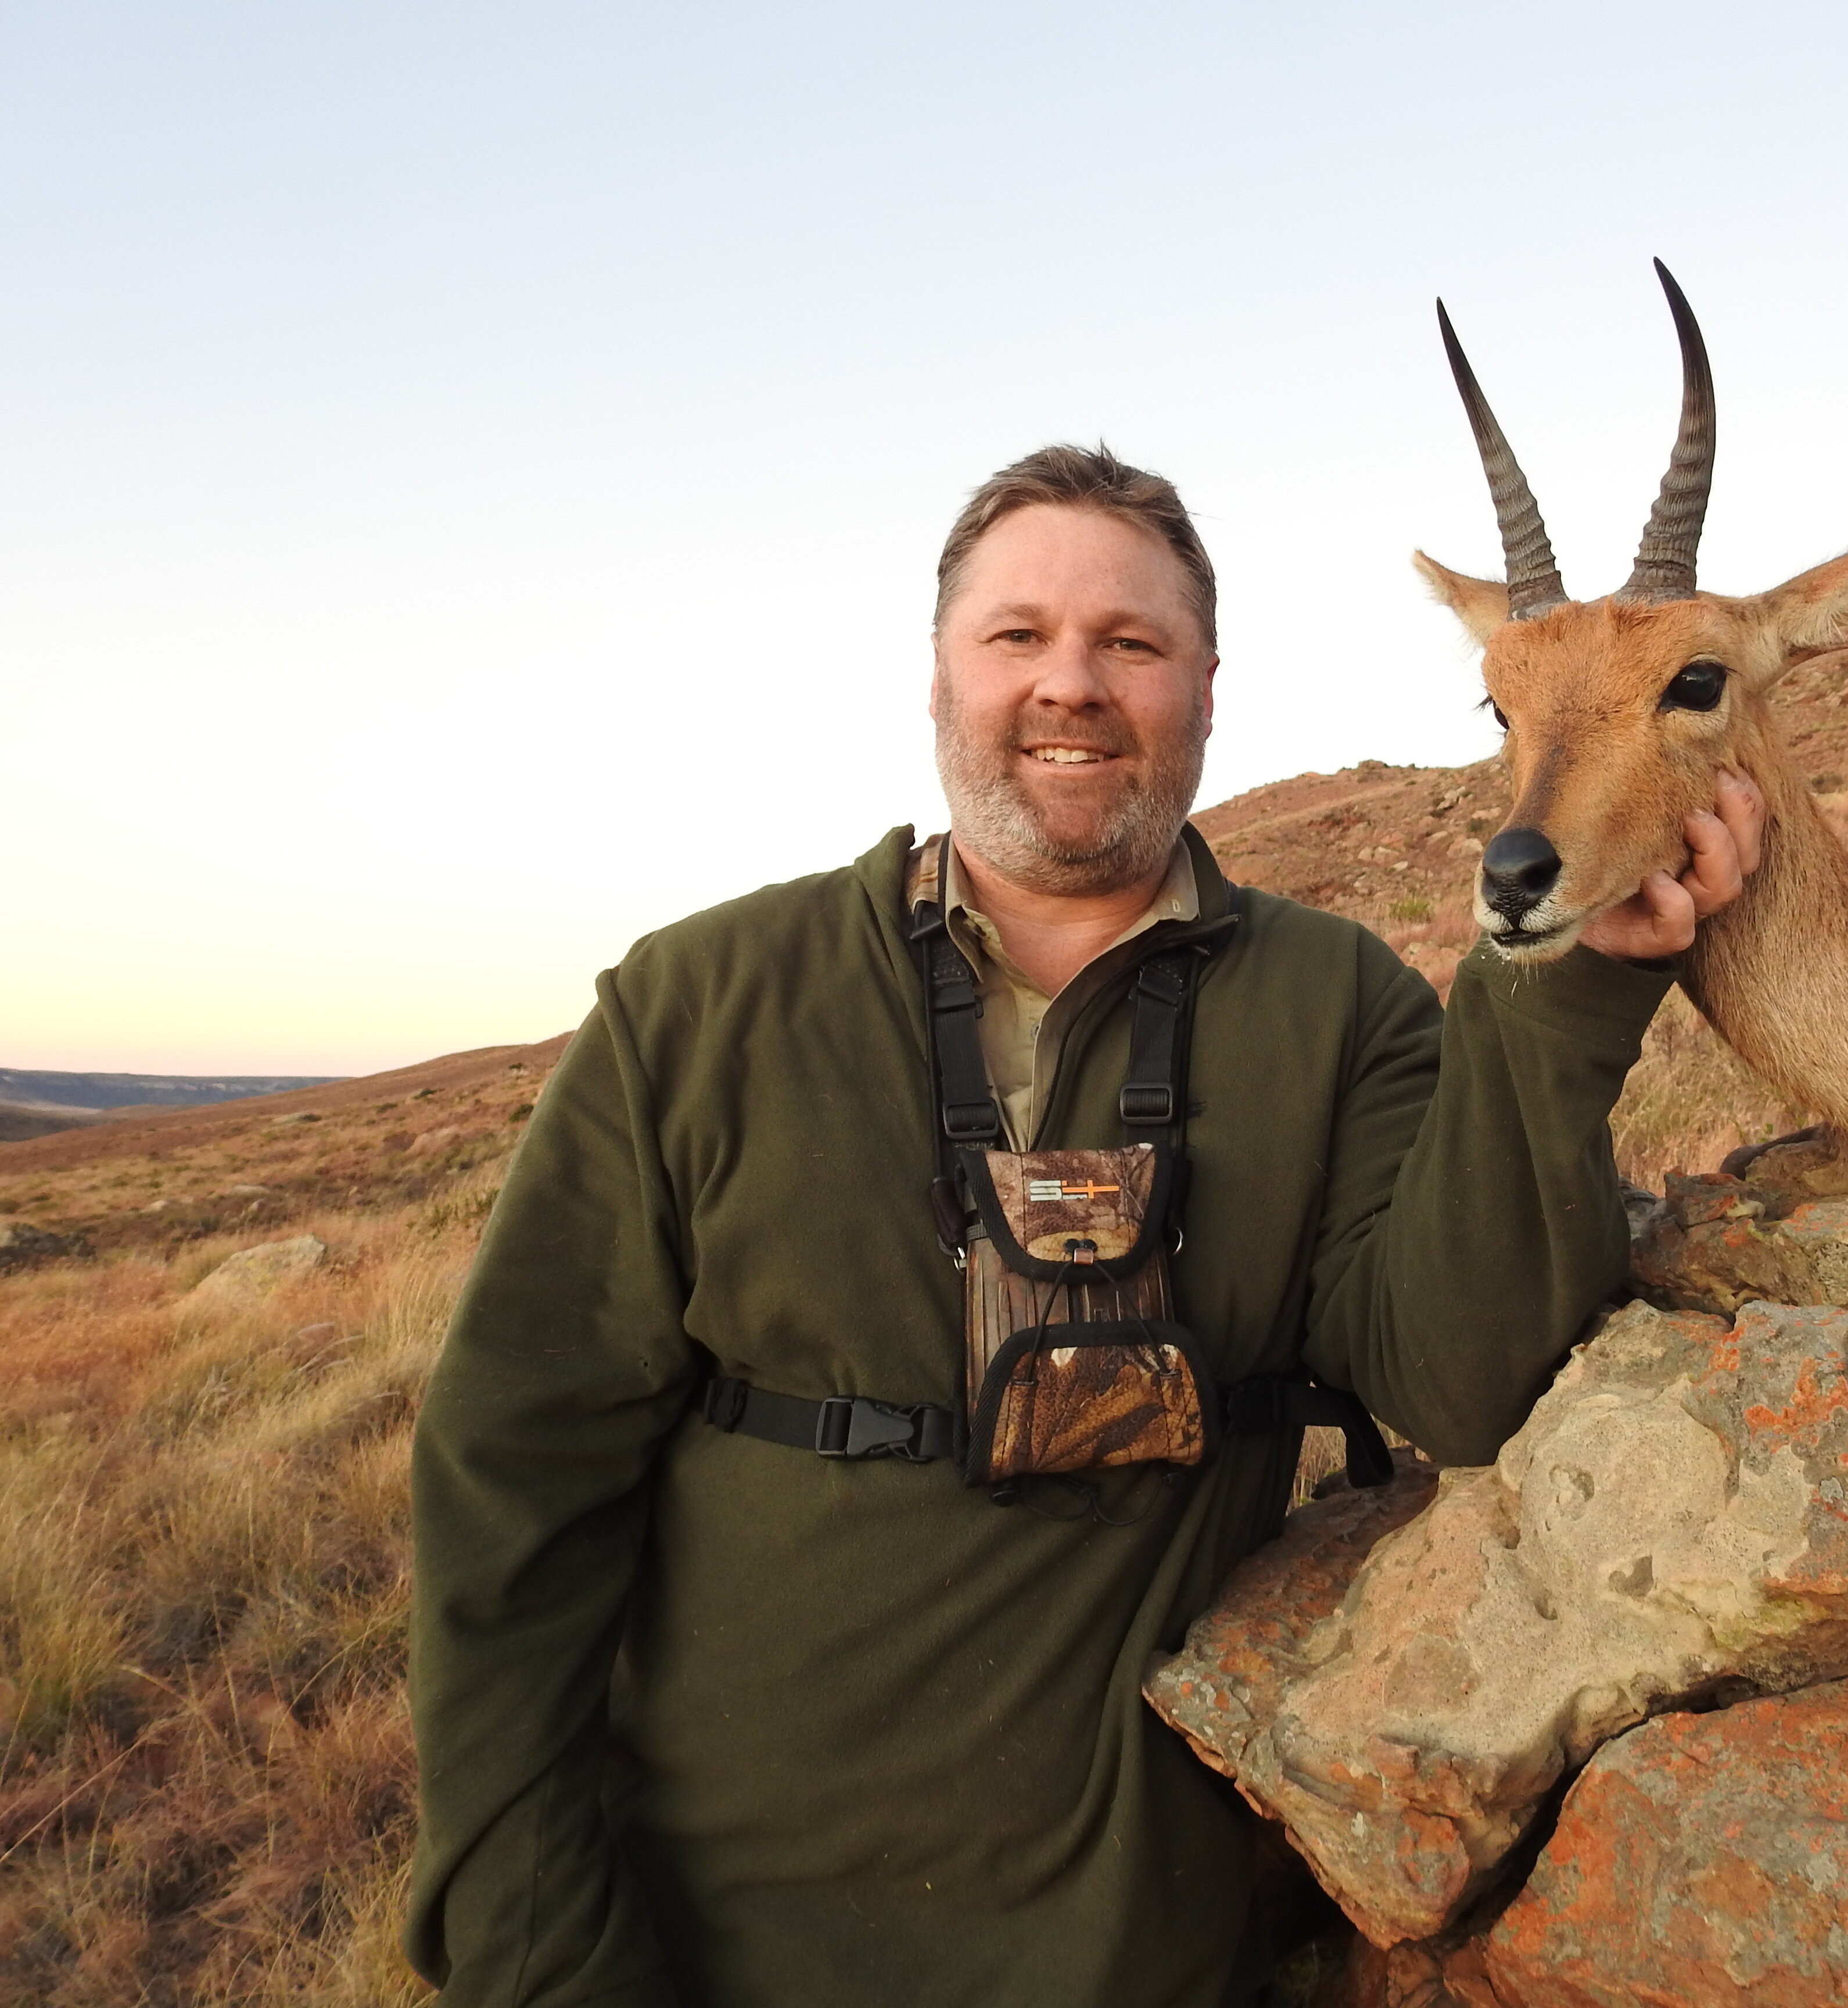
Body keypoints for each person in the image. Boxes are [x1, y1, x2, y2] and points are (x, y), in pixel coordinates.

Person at [405, 443, 1765, 2006]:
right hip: (698, 1948)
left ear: (1204, 690)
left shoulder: (1339, 1009)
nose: (1073, 684)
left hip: (1129, 1953)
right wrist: (533, 1953)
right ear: (938, 680)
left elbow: (1467, 1381)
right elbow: (512, 1487)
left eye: (1132, 643)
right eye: (1017, 637)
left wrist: (1572, 981)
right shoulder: (698, 1003)